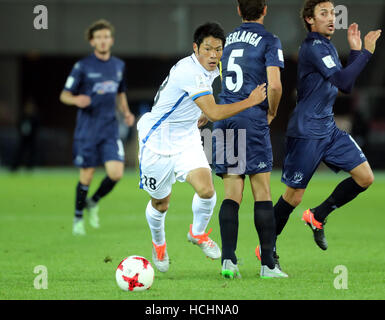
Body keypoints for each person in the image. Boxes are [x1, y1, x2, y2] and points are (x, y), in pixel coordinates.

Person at [137, 22, 267, 273]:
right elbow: (216, 112)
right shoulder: (190, 72)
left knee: (207, 190)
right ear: (195, 48)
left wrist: (201, 112)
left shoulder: (213, 66)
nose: (214, 55)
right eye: (207, 49)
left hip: (187, 136)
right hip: (158, 140)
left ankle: (196, 234)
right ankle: (159, 243)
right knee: (161, 204)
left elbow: (207, 107)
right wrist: (250, 102)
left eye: (218, 49)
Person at [272, 0, 381, 257]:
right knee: (293, 196)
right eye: (324, 13)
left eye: (333, 13)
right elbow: (344, 79)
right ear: (310, 20)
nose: (331, 17)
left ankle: (317, 215)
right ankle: (267, 247)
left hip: (328, 129)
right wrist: (365, 52)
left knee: (365, 177)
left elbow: (345, 87)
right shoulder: (313, 47)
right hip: (306, 132)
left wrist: (354, 52)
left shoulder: (327, 46)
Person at [213, 0, 287, 279]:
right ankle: (268, 265)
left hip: (225, 115)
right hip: (251, 117)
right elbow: (276, 85)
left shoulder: (227, 40)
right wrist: (272, 111)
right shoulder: (269, 39)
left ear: (238, 9)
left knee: (232, 194)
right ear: (265, 10)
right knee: (262, 192)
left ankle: (228, 261)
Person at [60, 19, 135, 236]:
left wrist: (127, 112)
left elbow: (120, 93)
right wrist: (76, 100)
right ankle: (77, 218)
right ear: (92, 42)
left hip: (110, 129)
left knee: (116, 173)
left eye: (106, 37)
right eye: (98, 37)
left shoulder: (119, 66)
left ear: (111, 40)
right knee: (87, 176)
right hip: (87, 131)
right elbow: (64, 95)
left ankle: (93, 201)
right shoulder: (82, 66)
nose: (103, 41)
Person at [10, 97, 40, 171]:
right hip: (23, 137)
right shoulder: (23, 116)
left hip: (31, 138)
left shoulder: (34, 117)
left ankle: (29, 167)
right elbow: (18, 125)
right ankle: (14, 167)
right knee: (20, 152)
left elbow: (37, 127)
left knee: (32, 152)